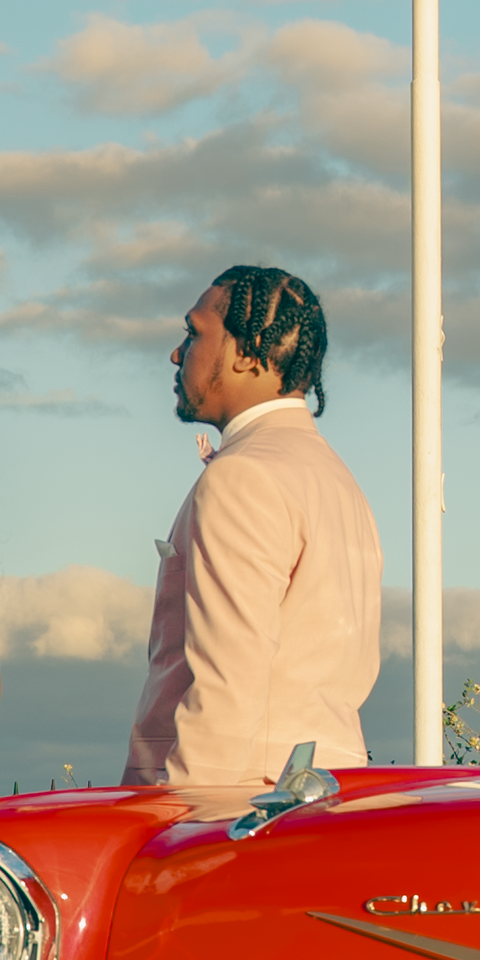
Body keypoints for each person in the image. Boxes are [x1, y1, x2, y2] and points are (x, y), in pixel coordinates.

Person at [124, 265, 382, 789]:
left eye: (194, 333)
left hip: (243, 810)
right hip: (332, 794)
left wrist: (185, 831)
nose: (178, 353)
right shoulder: (340, 483)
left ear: (246, 352)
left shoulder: (242, 476)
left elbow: (226, 686)